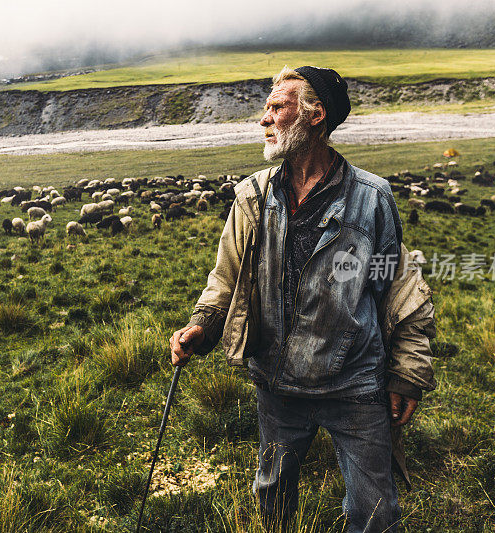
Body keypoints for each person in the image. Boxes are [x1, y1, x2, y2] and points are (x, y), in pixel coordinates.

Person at [168, 66, 437, 533]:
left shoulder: (372, 198)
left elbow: (399, 289)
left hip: (355, 383)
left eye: (277, 107)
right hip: (276, 382)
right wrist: (202, 325)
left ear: (316, 116)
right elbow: (226, 278)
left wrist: (408, 371)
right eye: (266, 109)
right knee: (272, 500)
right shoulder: (251, 196)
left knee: (374, 513)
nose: (264, 120)